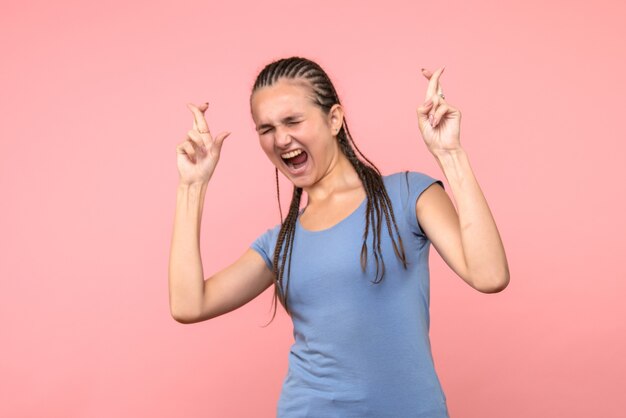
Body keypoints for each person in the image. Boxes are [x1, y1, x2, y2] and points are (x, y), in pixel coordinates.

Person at [169, 56, 509, 417]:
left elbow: (489, 275)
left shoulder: (409, 195)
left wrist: (450, 153)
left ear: (334, 119)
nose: (281, 139)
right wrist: (191, 186)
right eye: (265, 129)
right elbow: (190, 304)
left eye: (293, 121)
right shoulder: (279, 244)